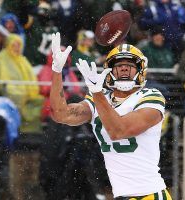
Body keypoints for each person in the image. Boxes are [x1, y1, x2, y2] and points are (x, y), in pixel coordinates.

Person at [50, 32, 172, 199]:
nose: (123, 68)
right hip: (122, 195)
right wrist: (57, 71)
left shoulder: (151, 96)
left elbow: (118, 131)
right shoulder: (99, 97)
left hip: (149, 194)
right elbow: (60, 115)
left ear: (141, 69)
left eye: (130, 65)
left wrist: (97, 92)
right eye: (118, 64)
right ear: (109, 70)